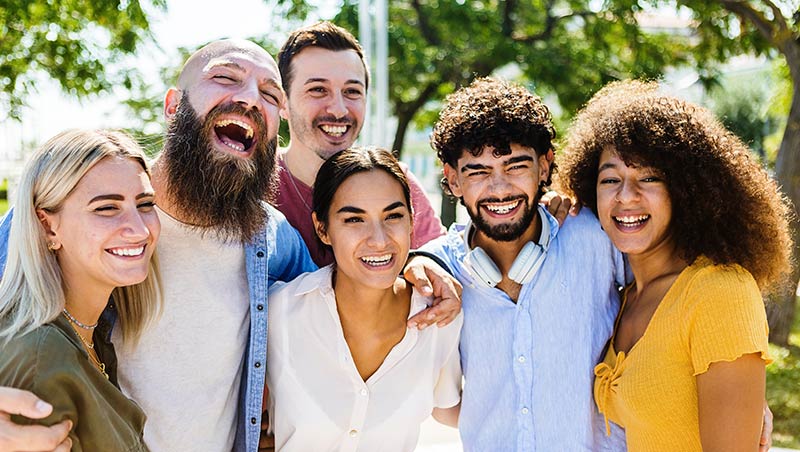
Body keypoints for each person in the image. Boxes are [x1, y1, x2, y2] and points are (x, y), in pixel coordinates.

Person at [0, 39, 459, 452]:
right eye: (225, 77)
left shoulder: (274, 240)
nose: (250, 98)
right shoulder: (69, 217)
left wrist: (421, 259)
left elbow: (347, 290)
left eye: (270, 94)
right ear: (174, 105)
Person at [559, 80, 793, 452]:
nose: (626, 196)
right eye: (610, 179)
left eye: (649, 178)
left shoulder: (719, 291)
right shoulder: (625, 294)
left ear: (687, 191)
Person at [421, 77, 627, 450]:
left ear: (545, 167)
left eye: (516, 166)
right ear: (452, 180)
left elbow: (673, 292)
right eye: (478, 171)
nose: (499, 189)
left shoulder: (596, 235)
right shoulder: (439, 268)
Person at [265, 147, 461, 451]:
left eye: (393, 216)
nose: (379, 240)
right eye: (355, 220)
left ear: (412, 221)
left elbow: (454, 410)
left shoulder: (441, 318)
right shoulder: (279, 313)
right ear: (323, 229)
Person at [0, 129, 162, 451]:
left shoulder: (94, 335)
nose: (140, 229)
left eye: (144, 204)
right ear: (47, 226)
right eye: (106, 208)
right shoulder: (38, 356)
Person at [274, 21, 445, 266]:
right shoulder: (252, 185)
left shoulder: (395, 181)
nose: (338, 109)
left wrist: (421, 263)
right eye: (318, 90)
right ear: (282, 102)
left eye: (352, 91)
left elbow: (440, 259)